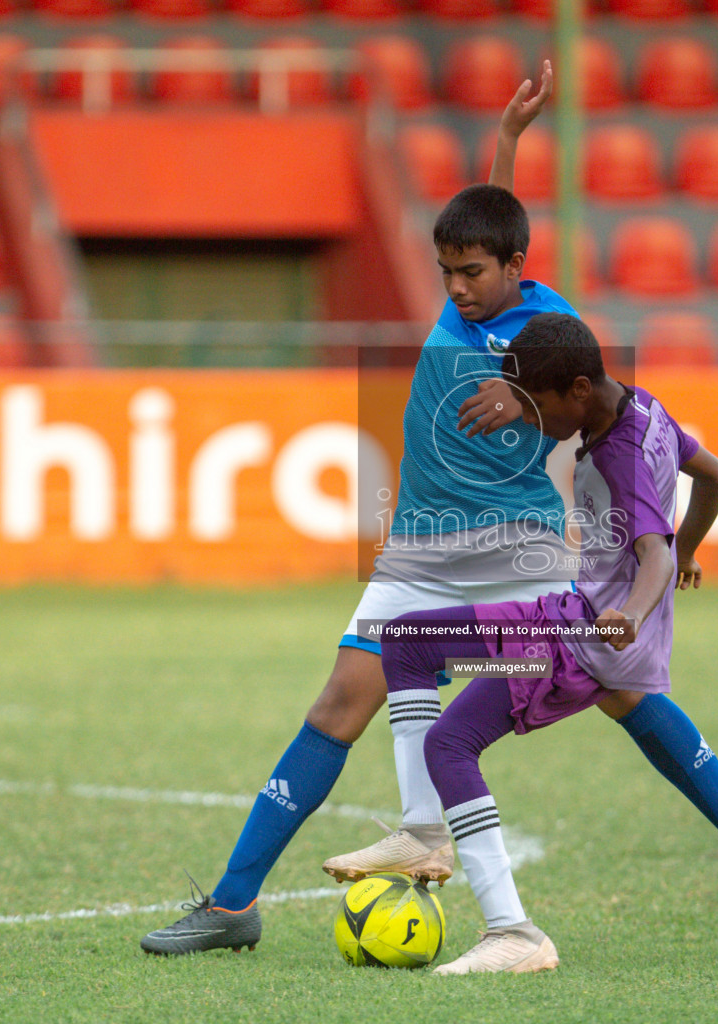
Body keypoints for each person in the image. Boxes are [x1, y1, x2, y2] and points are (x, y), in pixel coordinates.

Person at [140, 65, 581, 956]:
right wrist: (509, 139)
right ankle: (232, 907)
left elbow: (592, 410)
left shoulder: (548, 333)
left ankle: (513, 920)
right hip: (418, 549)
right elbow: (494, 225)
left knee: (599, 701)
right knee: (340, 703)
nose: (454, 287)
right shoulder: (469, 306)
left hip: (501, 550)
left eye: (471, 272)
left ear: (514, 271)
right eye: (447, 271)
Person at [377, 313, 718, 976]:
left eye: (534, 406)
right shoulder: (643, 408)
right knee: (635, 712)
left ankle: (506, 926)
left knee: (432, 700)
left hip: (579, 636)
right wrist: (691, 548)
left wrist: (636, 609)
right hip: (594, 632)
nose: (527, 419)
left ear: (579, 389)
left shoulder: (617, 454)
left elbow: (654, 555)